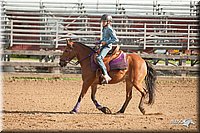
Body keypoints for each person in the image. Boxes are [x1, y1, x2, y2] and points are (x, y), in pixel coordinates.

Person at [96, 14, 119, 84]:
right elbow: (104, 38)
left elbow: (115, 39)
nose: (102, 23)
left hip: (107, 47)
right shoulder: (104, 28)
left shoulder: (109, 29)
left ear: (108, 22)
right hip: (103, 45)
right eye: (102, 21)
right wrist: (99, 41)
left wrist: (106, 42)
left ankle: (106, 75)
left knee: (99, 58)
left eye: (104, 21)